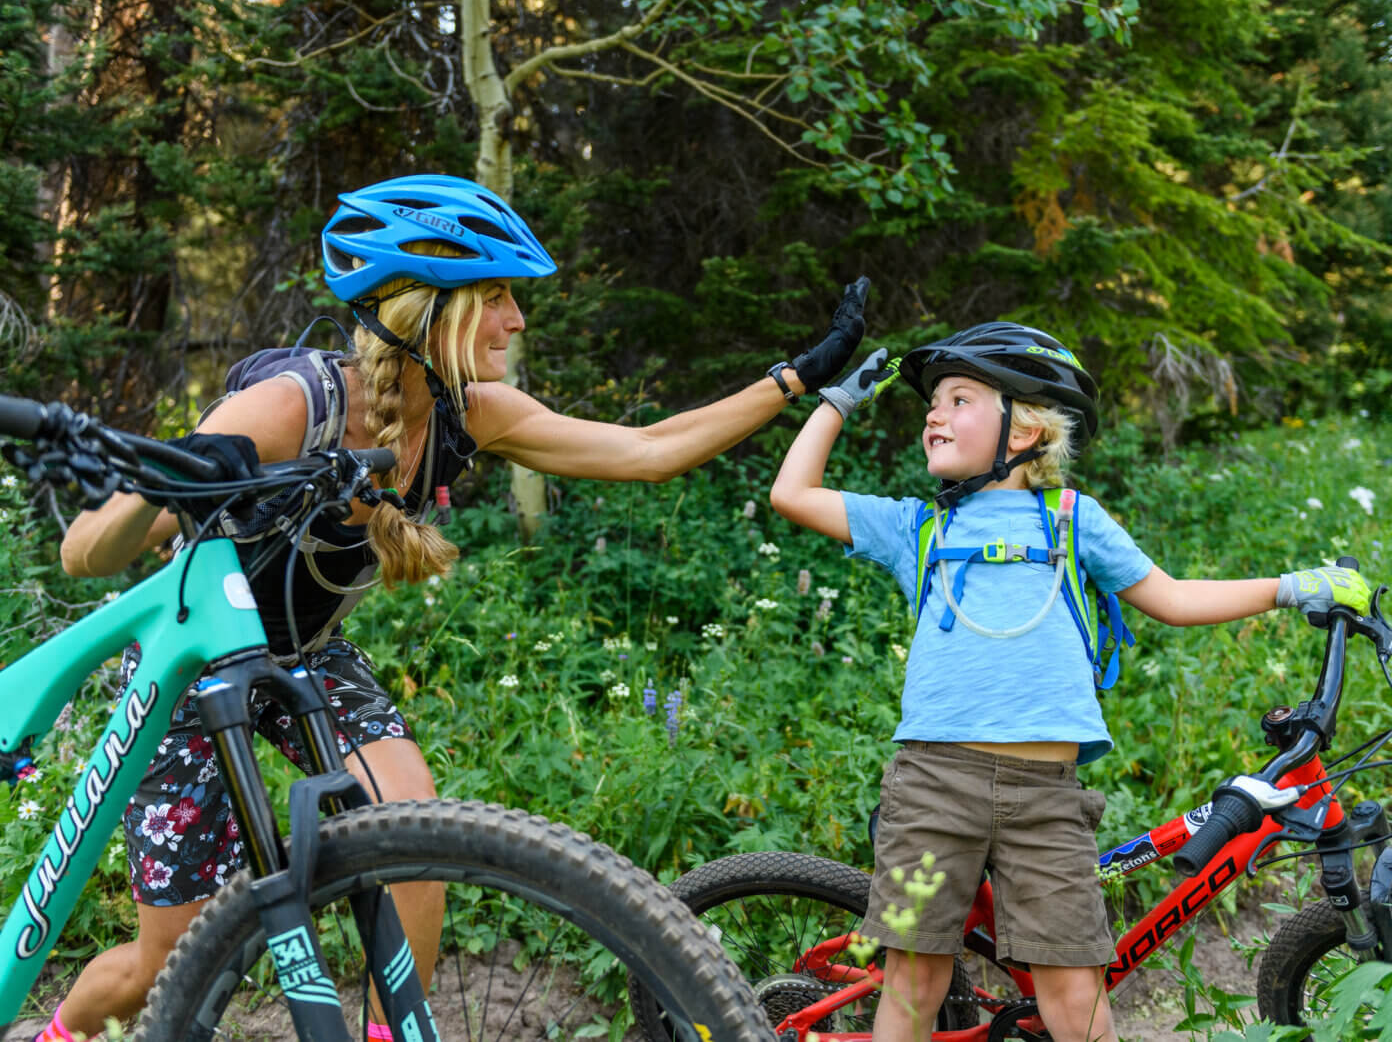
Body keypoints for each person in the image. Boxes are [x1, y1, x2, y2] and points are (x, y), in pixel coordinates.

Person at [42, 173, 870, 1041]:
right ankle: (60, 1031)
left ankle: (390, 1030)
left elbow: (648, 449)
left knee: (412, 833)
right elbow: (83, 552)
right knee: (159, 963)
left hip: (306, 653)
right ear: (427, 310)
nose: (517, 319)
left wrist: (792, 378)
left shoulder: (465, 412)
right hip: (189, 663)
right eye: (499, 297)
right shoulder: (294, 404)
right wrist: (168, 478)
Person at [769, 322, 1370, 1042]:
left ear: (1024, 430)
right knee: (912, 982)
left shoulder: (1072, 519)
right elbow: (791, 492)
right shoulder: (916, 528)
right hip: (930, 789)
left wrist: (1289, 586)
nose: (933, 413)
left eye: (958, 398)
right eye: (932, 401)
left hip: (1046, 800)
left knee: (1076, 996)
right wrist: (835, 401)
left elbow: (1173, 598)